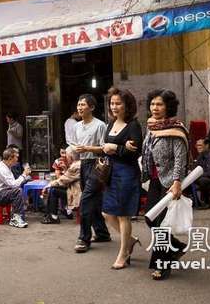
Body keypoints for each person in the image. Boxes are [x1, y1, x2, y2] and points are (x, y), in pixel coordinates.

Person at [141, 89, 189, 280]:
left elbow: (180, 158)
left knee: (161, 224)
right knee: (150, 219)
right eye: (152, 104)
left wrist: (177, 182)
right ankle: (176, 247)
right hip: (153, 180)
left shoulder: (176, 129)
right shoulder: (152, 126)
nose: (155, 108)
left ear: (168, 106)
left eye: (159, 104)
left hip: (169, 182)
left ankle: (162, 264)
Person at [101, 87, 143, 269]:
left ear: (127, 105)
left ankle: (124, 253)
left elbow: (135, 152)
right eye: (112, 103)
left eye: (118, 103)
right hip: (112, 172)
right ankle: (131, 241)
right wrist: (111, 147)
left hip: (127, 173)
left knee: (123, 215)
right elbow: (105, 147)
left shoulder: (133, 125)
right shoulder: (110, 124)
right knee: (107, 213)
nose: (114, 106)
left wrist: (115, 148)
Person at [71, 94, 110, 254]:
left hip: (97, 164)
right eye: (79, 105)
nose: (80, 108)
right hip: (83, 164)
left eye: (83, 105)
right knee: (93, 200)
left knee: (86, 199)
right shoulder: (77, 126)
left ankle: (84, 238)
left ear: (92, 108)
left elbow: (105, 147)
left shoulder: (100, 125)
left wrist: (87, 148)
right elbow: (75, 146)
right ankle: (102, 233)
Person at [0, 147, 32, 228]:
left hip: (0, 193)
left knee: (17, 191)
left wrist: (24, 177)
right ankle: (15, 219)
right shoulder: (2, 169)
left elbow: (12, 183)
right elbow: (14, 185)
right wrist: (24, 175)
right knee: (17, 191)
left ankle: (18, 216)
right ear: (10, 158)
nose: (17, 159)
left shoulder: (7, 167)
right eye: (16, 157)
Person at [42, 146, 81, 224]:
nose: (65, 156)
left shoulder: (75, 166)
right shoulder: (76, 164)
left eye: (66, 154)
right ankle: (51, 215)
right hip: (73, 189)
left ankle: (53, 216)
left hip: (76, 193)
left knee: (53, 190)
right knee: (53, 189)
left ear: (71, 156)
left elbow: (63, 179)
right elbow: (66, 178)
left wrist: (47, 186)